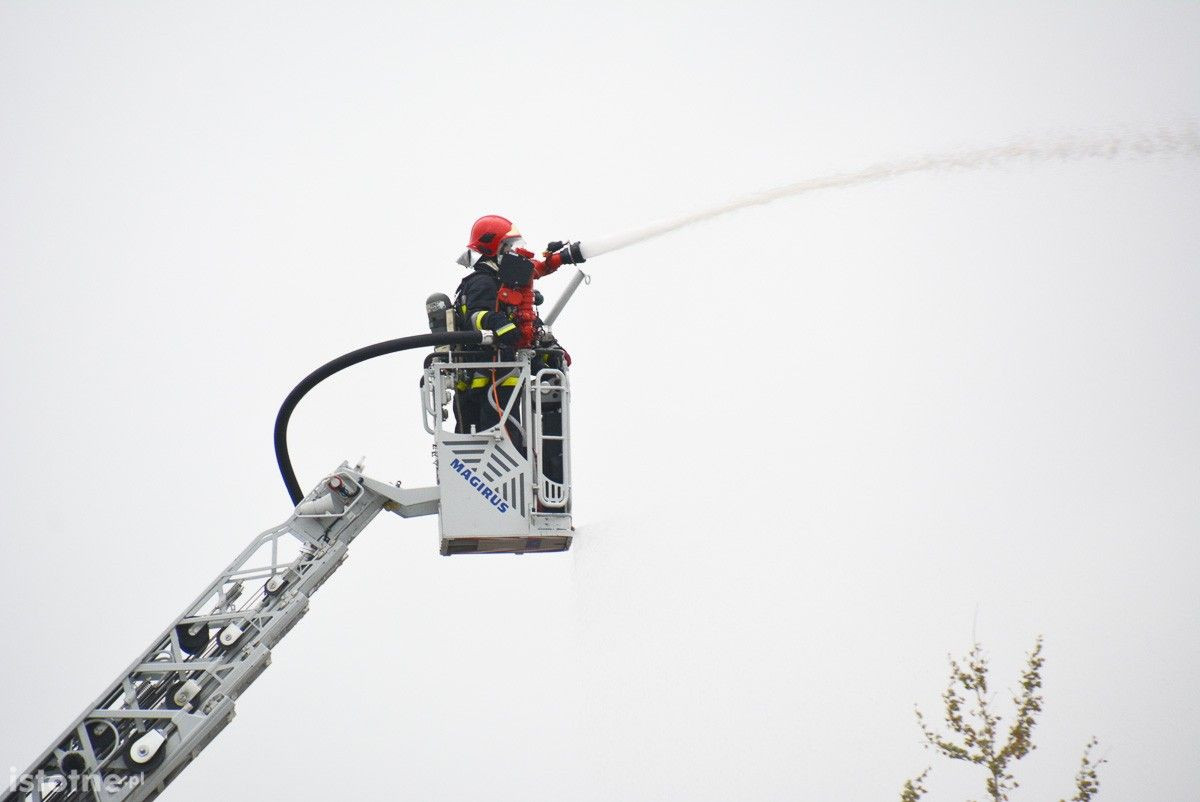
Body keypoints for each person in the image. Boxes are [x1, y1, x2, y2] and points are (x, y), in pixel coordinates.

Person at [450, 215, 583, 479]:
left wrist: (546, 354)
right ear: (493, 249)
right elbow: (475, 317)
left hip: (503, 382)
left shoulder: (503, 285)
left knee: (511, 445)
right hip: (485, 387)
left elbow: (522, 331)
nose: (514, 254)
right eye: (509, 248)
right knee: (500, 450)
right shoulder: (482, 282)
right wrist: (497, 322)